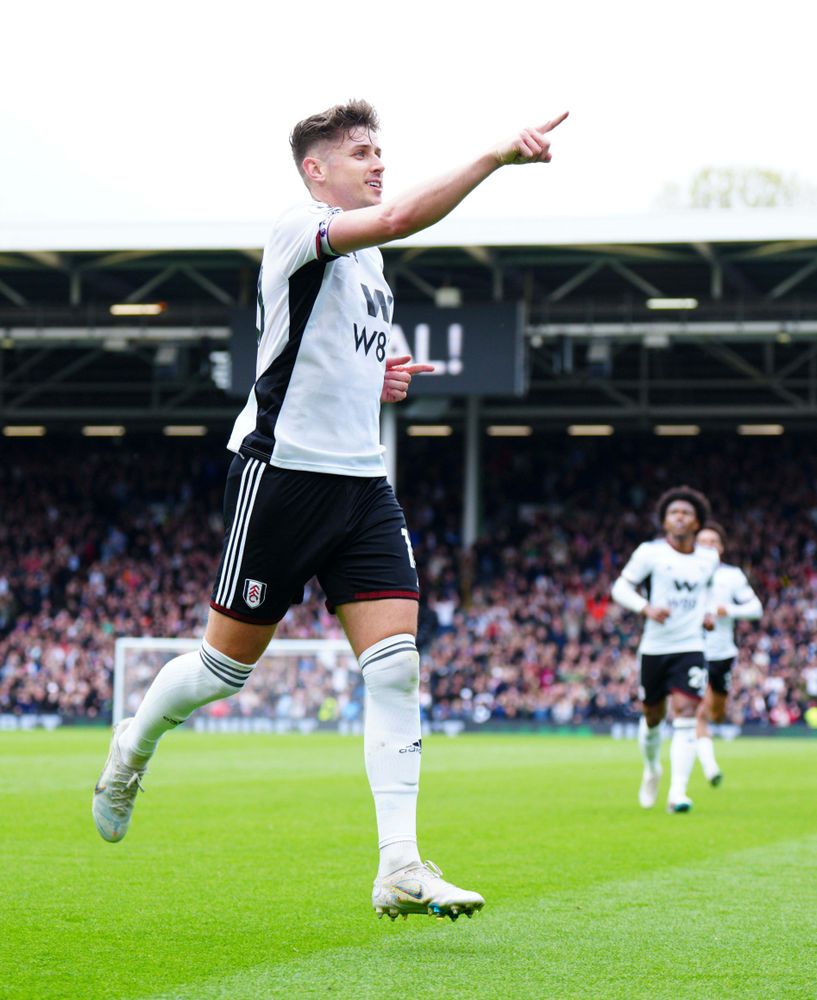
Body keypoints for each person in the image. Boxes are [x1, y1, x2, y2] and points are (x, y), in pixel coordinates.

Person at [92, 99, 568, 921]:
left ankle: (400, 866)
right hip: (284, 479)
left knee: (395, 666)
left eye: (380, 150)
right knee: (220, 672)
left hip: (361, 486)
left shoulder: (368, 271)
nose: (376, 162)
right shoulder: (296, 225)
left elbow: (335, 349)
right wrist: (493, 155)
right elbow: (400, 216)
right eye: (359, 151)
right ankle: (132, 746)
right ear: (317, 170)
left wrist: (378, 378)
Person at [611, 486, 718, 813]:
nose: (680, 517)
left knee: (686, 712)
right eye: (674, 513)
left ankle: (678, 793)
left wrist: (710, 613)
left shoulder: (708, 558)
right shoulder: (650, 553)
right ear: (665, 521)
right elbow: (620, 587)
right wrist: (645, 608)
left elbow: (710, 592)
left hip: (690, 646)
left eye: (686, 513)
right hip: (655, 647)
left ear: (697, 522)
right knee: (653, 716)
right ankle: (652, 769)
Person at [694, 521, 763, 785]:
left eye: (713, 542)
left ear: (721, 548)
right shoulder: (685, 573)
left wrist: (728, 610)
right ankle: (710, 767)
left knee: (717, 713)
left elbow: (756, 608)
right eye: (703, 541)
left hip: (722, 654)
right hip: (693, 650)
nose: (708, 546)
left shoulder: (732, 575)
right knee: (698, 712)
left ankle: (706, 745)